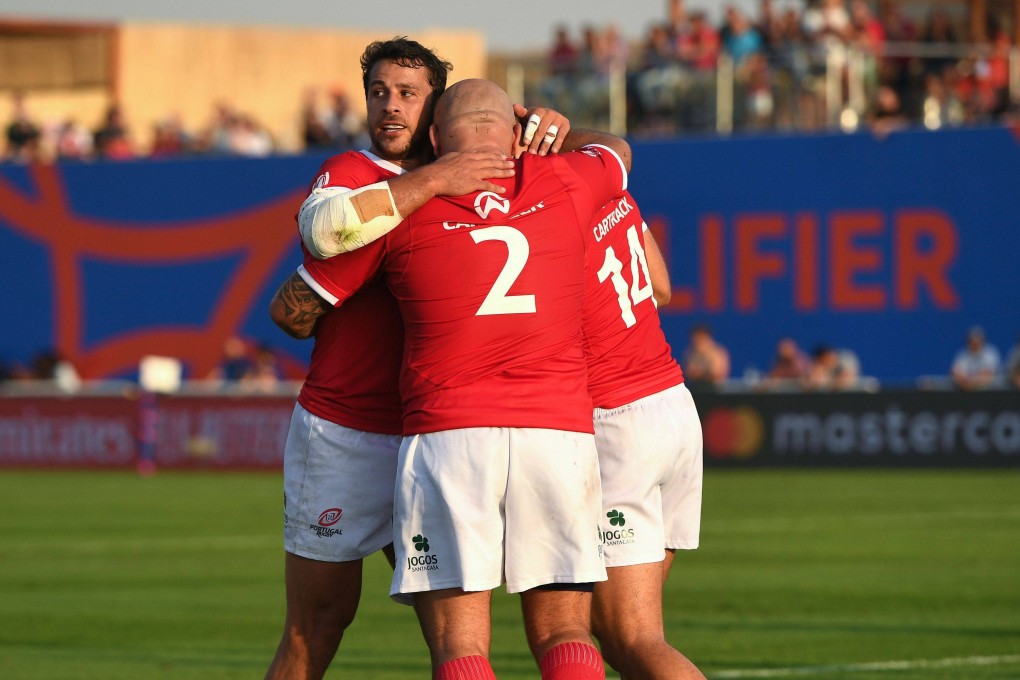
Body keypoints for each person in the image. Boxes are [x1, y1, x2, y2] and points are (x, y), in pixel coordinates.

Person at [294, 77, 631, 679]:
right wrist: (547, 131)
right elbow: (617, 152)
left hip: (450, 433)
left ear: (431, 136)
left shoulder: (404, 206)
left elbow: (297, 297)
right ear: (516, 133)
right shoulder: (568, 180)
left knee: (461, 648)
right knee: (566, 633)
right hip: (556, 432)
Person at [582, 191, 706, 679]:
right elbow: (661, 287)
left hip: (618, 422)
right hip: (672, 403)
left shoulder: (545, 204)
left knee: (630, 638)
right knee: (626, 642)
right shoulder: (611, 189)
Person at [681, 324, 730, 391]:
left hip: (714, 390)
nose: (697, 341)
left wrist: (702, 374)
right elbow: (689, 373)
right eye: (696, 338)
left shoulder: (717, 352)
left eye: (700, 338)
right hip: (694, 388)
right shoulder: (690, 353)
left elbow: (717, 374)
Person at [951, 326, 1001, 390]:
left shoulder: (991, 353)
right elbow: (956, 371)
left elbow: (988, 374)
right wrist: (965, 381)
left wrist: (972, 382)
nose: (975, 343)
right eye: (972, 341)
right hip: (966, 389)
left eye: (977, 340)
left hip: (991, 391)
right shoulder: (963, 354)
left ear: (983, 341)